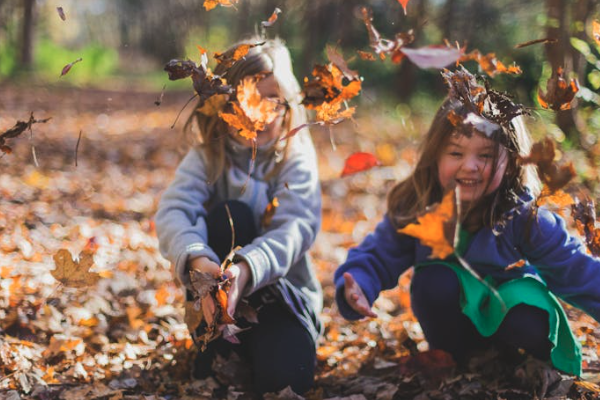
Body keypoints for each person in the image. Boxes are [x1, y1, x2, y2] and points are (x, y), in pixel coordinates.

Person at [334, 68, 600, 377]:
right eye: (456, 152)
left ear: (511, 162)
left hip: (514, 322)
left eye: (485, 155)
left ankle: (517, 362)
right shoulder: (420, 207)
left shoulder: (524, 217)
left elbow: (577, 271)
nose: (469, 166)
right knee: (434, 281)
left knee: (524, 309)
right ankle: (457, 360)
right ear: (435, 156)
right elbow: (378, 254)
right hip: (452, 326)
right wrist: (359, 285)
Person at [155, 37, 322, 395]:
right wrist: (198, 259)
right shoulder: (207, 158)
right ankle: (217, 346)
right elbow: (174, 211)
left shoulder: (295, 158)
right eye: (244, 99)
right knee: (231, 215)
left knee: (286, 382)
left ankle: (269, 350)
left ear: (287, 104)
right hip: (215, 308)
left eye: (269, 100)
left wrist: (245, 271)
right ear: (221, 105)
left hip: (283, 303)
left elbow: (296, 227)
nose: (256, 113)